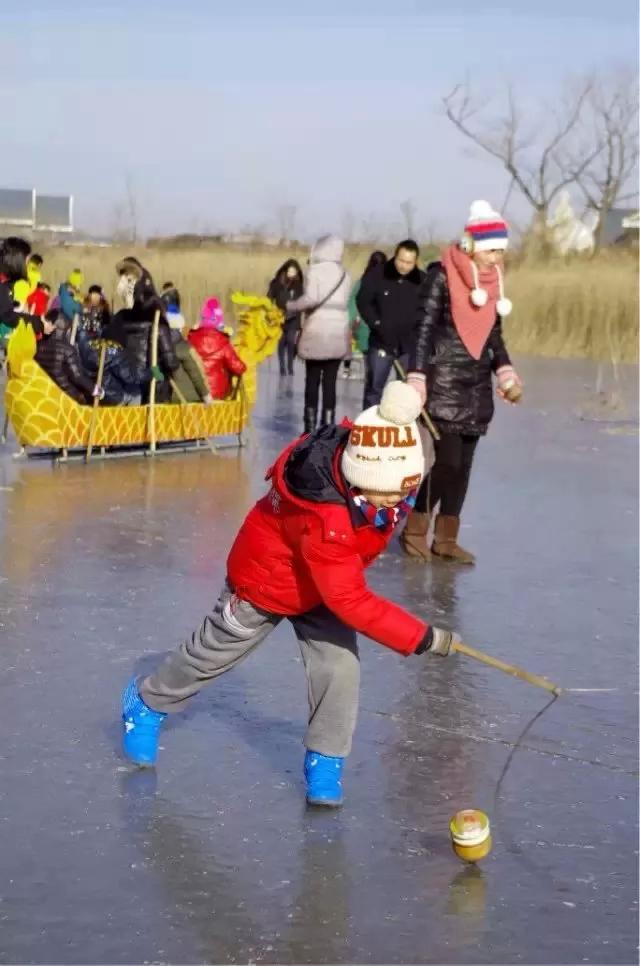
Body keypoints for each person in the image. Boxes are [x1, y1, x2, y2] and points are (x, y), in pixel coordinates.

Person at [120, 380, 456, 808]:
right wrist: (421, 636)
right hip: (269, 579)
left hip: (326, 584)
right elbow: (350, 601)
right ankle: (146, 701)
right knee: (212, 653)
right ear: (358, 475)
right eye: (390, 492)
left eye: (404, 489)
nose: (398, 500)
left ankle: (326, 758)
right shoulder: (329, 519)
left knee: (339, 667)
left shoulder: (366, 455)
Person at [402, 200, 522, 565]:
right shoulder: (440, 275)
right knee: (447, 463)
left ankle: (446, 539)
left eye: (501, 249)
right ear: (472, 245)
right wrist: (417, 376)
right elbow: (422, 329)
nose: (497, 257)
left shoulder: (493, 283)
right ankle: (414, 529)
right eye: (491, 249)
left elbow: (493, 336)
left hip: (476, 384)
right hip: (443, 380)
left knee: (465, 467)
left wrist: (505, 371)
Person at [286, 235, 351, 432]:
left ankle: (310, 427)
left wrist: (292, 306)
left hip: (317, 331)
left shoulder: (314, 271)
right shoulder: (345, 274)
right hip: (338, 332)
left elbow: (311, 299)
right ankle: (328, 426)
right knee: (330, 381)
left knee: (312, 379)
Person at [356, 240, 425, 408]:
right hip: (381, 341)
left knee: (406, 392)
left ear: (415, 262)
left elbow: (427, 310)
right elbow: (363, 301)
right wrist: (377, 323)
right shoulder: (378, 275)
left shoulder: (422, 280)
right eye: (400, 260)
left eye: (409, 262)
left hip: (409, 345)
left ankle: (400, 428)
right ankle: (370, 427)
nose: (403, 266)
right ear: (395, 256)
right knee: (374, 388)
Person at [114, 257, 178, 403]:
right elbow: (170, 360)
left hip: (127, 381)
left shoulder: (120, 318)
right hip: (152, 384)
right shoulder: (157, 316)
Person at [35, 309, 100, 405]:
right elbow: (78, 377)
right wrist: (96, 390)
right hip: (66, 398)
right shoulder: (67, 349)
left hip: (45, 395)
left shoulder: (37, 345)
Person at [79, 316, 146, 405]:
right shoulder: (115, 351)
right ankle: (132, 417)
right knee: (135, 390)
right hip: (111, 396)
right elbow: (131, 377)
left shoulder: (89, 346)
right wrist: (153, 372)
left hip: (91, 394)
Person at [188, 297, 246, 400]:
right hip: (218, 394)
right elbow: (239, 368)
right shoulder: (223, 342)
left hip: (196, 392)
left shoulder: (190, 338)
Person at [346, 250, 386, 380]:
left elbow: (352, 300)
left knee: (370, 359)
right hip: (374, 325)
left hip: (367, 323)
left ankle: (372, 385)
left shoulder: (363, 280)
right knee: (375, 361)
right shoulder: (385, 281)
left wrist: (354, 317)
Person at [0, 236, 44, 342]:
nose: (28, 266)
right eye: (27, 261)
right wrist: (38, 323)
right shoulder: (3, 285)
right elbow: (7, 315)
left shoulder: (11, 282)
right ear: (17, 261)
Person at [165, 308, 213, 404]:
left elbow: (156, 372)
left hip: (164, 399)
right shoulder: (183, 348)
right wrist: (205, 394)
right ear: (179, 328)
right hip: (187, 398)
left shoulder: (157, 347)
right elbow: (194, 374)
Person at [267, 259, 303, 376]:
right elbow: (269, 298)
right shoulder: (276, 283)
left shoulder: (298, 285)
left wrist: (299, 322)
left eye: (295, 271)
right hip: (279, 317)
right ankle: (282, 368)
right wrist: (269, 313)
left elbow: (301, 303)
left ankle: (290, 367)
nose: (292, 273)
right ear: (286, 270)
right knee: (281, 342)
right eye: (290, 270)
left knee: (291, 342)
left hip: (293, 318)